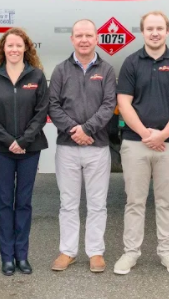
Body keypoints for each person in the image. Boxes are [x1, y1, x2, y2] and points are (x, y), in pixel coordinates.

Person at [113, 11, 169, 276]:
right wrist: (147, 134)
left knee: (166, 202)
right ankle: (130, 253)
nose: (155, 33)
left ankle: (167, 253)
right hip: (135, 144)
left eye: (159, 28)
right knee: (134, 202)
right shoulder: (131, 62)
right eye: (150, 29)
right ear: (142, 31)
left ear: (168, 31)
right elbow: (123, 102)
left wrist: (163, 134)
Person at [48, 19, 117, 273]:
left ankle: (95, 252)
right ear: (72, 39)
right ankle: (68, 251)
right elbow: (52, 105)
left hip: (97, 147)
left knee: (98, 203)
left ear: (97, 38)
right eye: (79, 35)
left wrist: (87, 130)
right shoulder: (60, 70)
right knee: (68, 203)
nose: (84, 40)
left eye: (89, 35)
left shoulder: (107, 70)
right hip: (67, 148)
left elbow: (109, 105)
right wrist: (74, 131)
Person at [0, 27, 49, 276]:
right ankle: (7, 257)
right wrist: (9, 140)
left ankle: (22, 256)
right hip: (2, 150)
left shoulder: (37, 76)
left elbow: (41, 112)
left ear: (26, 49)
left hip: (30, 149)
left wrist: (23, 140)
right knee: (3, 203)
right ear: (3, 49)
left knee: (23, 203)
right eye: (9, 45)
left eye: (18, 45)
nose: (14, 49)